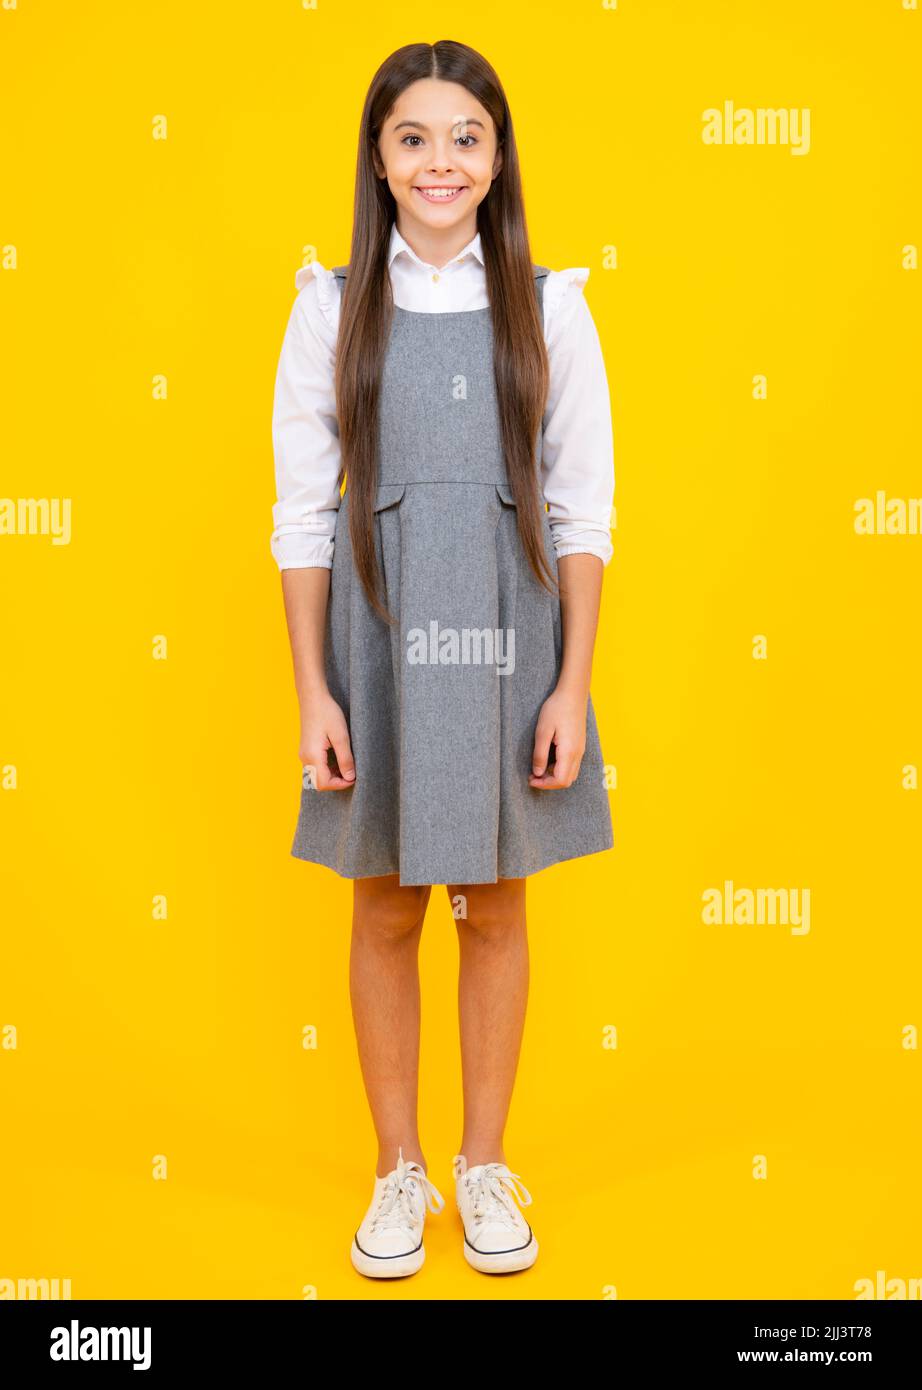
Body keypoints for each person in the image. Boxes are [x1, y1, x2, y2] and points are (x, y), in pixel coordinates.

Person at [271, 39, 615, 1279]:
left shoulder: (550, 305)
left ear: (498, 155)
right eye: (412, 137)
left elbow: (581, 511)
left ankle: (482, 1163)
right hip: (377, 631)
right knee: (383, 904)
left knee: (495, 903)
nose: (440, 162)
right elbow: (301, 514)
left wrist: (570, 682)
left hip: (510, 639)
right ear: (377, 157)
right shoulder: (330, 307)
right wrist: (314, 691)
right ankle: (396, 1170)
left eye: (466, 137)